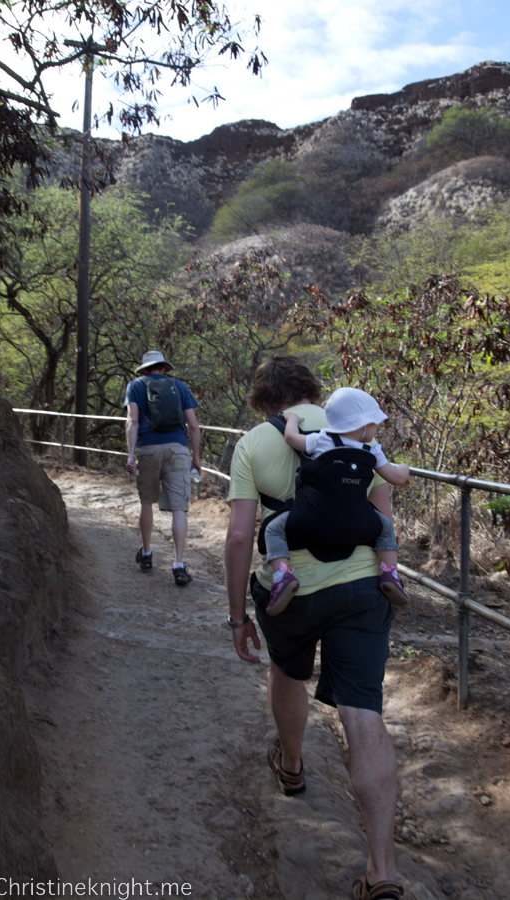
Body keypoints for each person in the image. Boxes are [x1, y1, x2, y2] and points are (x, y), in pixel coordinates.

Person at [225, 354, 402, 900]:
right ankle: (383, 873)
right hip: (361, 588)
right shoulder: (354, 428)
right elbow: (382, 511)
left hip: (293, 589)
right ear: (311, 389)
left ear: (262, 399)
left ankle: (293, 766)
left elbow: (237, 537)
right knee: (363, 713)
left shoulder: (255, 441)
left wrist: (237, 618)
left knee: (288, 670)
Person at [264, 386, 411, 615]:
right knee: (385, 528)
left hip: (311, 519)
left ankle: (282, 577)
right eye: (373, 424)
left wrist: (292, 418)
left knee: (273, 529)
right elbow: (398, 478)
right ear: (361, 425)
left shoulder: (321, 440)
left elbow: (291, 437)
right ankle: (391, 573)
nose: (375, 429)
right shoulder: (372, 451)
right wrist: (405, 467)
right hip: (357, 522)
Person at [125, 350, 201, 586]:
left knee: (146, 502)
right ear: (164, 368)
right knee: (179, 507)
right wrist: (196, 457)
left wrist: (130, 455)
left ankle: (147, 553)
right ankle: (178, 564)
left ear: (145, 369)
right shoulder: (179, 387)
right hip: (177, 449)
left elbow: (133, 421)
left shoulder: (135, 386)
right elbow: (194, 426)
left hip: (147, 449)